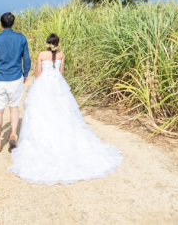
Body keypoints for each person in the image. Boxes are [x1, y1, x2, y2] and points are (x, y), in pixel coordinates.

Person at [8, 33, 123, 184]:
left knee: (42, 112)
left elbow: (38, 72)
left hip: (44, 84)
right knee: (62, 110)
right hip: (57, 83)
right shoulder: (61, 54)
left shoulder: (42, 54)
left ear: (47, 43)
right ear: (57, 43)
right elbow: (60, 72)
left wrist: (36, 83)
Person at [0, 12, 31, 153]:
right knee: (14, 108)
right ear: (13, 23)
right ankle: (13, 134)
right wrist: (26, 73)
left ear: (0, 24)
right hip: (15, 78)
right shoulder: (21, 38)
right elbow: (26, 58)